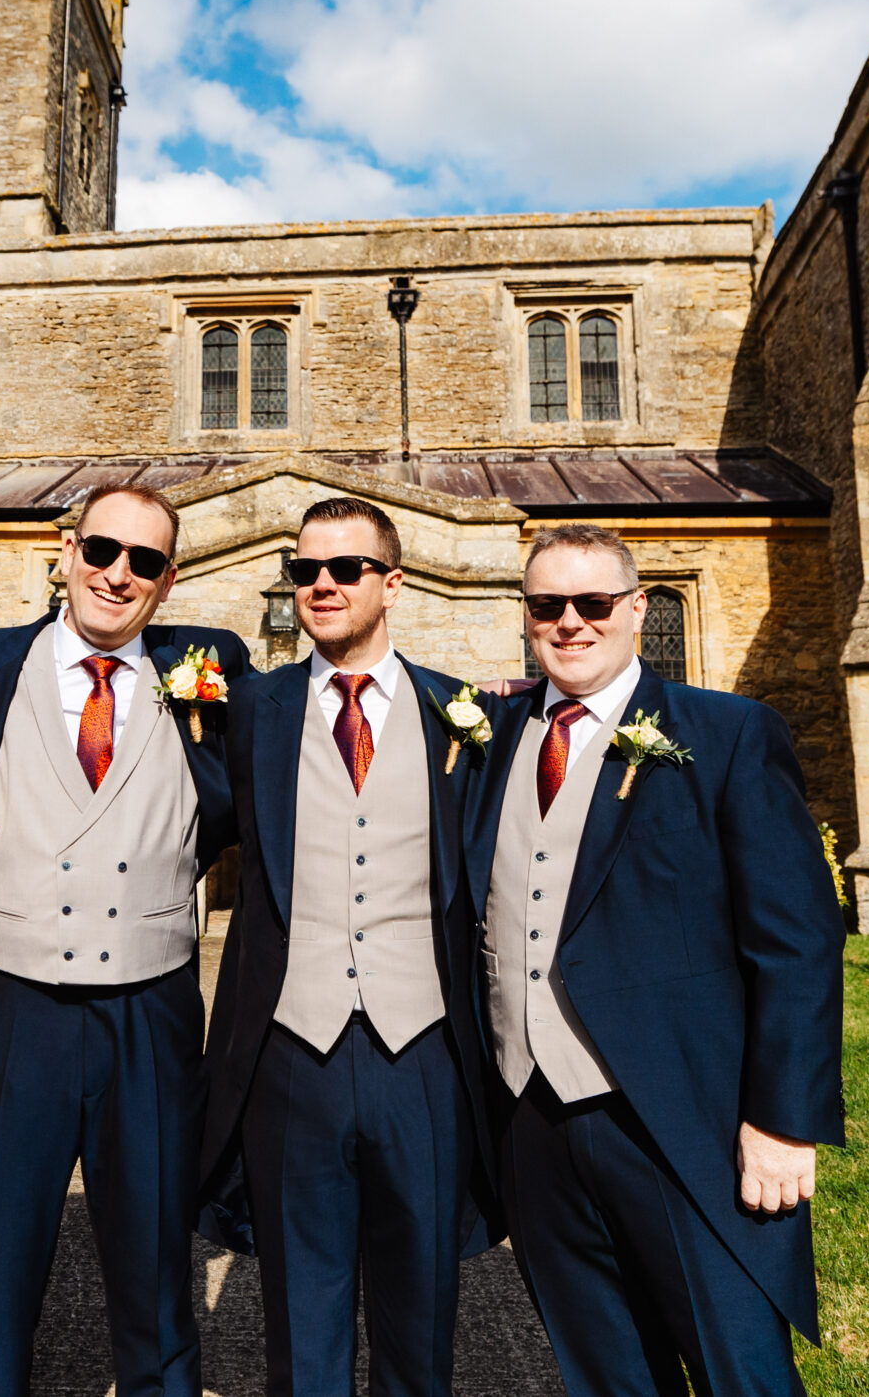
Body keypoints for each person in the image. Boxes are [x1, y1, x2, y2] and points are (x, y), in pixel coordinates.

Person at [468, 523, 843, 1397]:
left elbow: (797, 939)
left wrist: (783, 1120)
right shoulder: (489, 738)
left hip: (684, 1123)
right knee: (606, 1373)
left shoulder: (728, 734)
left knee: (738, 1372)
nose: (570, 622)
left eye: (593, 602)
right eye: (547, 605)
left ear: (637, 609)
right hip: (534, 1122)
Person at [0, 479, 249, 1397]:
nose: (117, 575)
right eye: (102, 551)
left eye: (143, 561)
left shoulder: (211, 669)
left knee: (153, 1261)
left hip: (150, 1012)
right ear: (66, 551)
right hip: (10, 1008)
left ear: (168, 579)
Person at [200, 495, 496, 1397]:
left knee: (421, 1313)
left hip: (425, 1052)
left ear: (393, 582)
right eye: (303, 570)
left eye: (344, 569)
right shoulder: (252, 708)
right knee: (302, 1313)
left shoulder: (462, 713)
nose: (320, 585)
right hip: (295, 1049)